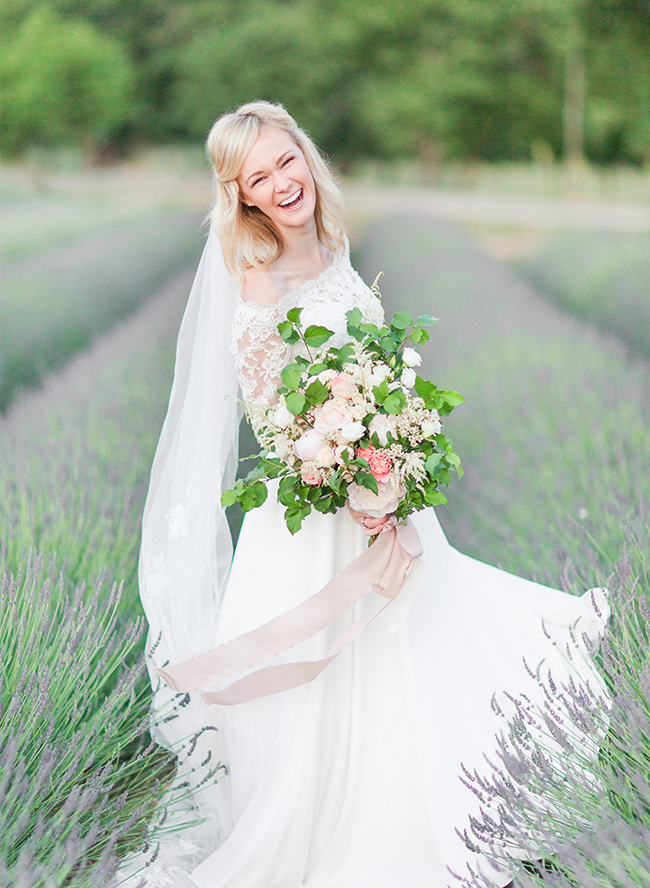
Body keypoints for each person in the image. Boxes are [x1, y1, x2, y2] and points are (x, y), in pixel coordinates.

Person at [135, 101, 609, 888]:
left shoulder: (334, 244)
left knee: (414, 655)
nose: (282, 183)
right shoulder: (257, 278)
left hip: (382, 492)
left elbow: (371, 368)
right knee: (329, 682)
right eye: (259, 178)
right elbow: (270, 413)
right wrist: (339, 469)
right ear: (242, 196)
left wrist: (387, 455)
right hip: (312, 517)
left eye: (287, 162)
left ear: (305, 156)